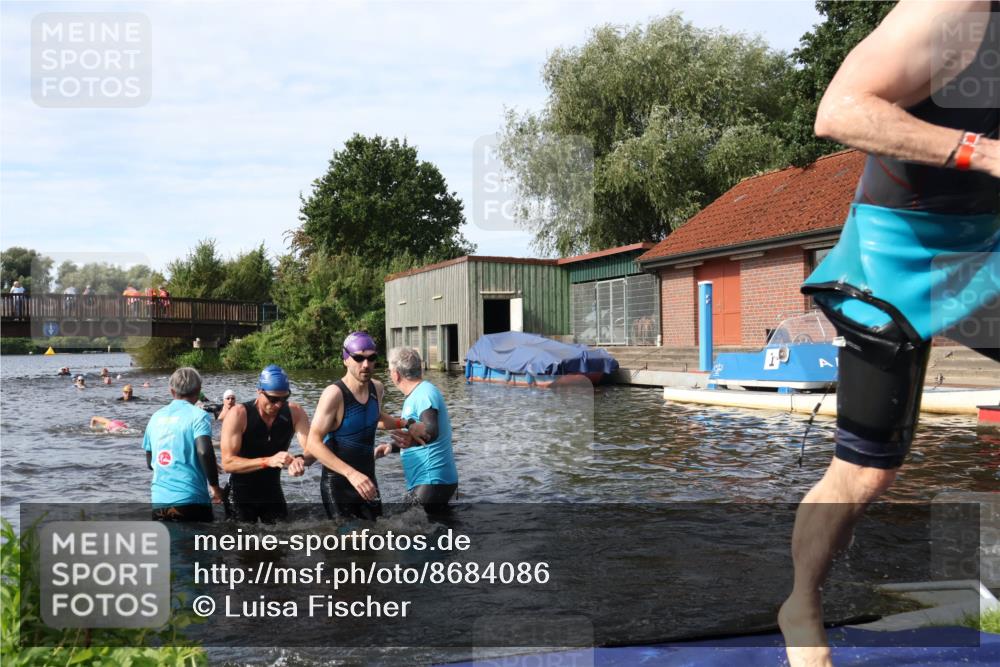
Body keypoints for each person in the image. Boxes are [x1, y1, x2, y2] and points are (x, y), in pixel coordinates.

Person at [779, 3, 999, 666]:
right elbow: (840, 111)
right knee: (866, 472)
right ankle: (801, 604)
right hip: (894, 254)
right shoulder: (959, 10)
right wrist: (987, 153)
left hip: (987, 249)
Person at [305, 332, 403, 521]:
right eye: (358, 358)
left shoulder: (377, 388)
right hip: (338, 485)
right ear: (346, 359)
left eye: (371, 358)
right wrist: (351, 474)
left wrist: (405, 423)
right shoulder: (334, 395)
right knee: (349, 538)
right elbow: (313, 442)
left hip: (367, 481)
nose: (366, 364)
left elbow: (374, 416)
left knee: (379, 535)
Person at [220, 366, 313, 523]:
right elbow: (228, 463)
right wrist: (268, 461)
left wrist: (300, 459)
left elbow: (313, 449)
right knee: (241, 538)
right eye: (273, 399)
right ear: (259, 391)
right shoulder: (238, 414)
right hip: (240, 493)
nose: (278, 405)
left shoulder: (295, 412)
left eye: (284, 398)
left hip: (272, 491)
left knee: (283, 537)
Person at [382, 347, 458, 512]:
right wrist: (390, 447)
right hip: (432, 481)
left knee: (401, 524)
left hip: (432, 479)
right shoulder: (418, 393)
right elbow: (416, 436)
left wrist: (411, 441)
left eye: (389, 371)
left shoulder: (424, 393)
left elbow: (431, 430)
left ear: (396, 374)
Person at [142, 367, 222, 522]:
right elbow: (204, 452)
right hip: (191, 500)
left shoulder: (155, 417)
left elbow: (150, 463)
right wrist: (215, 488)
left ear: (171, 391)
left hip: (159, 502)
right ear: (198, 390)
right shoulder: (199, 416)